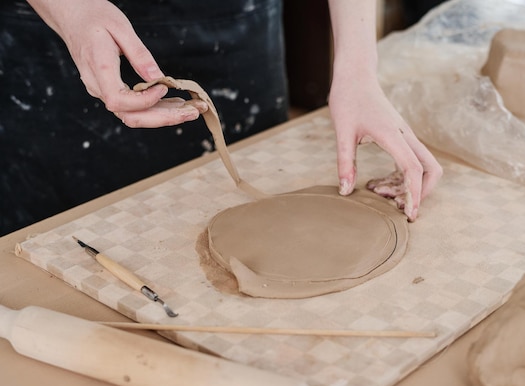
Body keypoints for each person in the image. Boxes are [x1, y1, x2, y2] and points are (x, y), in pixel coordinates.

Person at [0, 0, 441, 236]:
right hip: (56, 34)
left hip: (236, 25)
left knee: (259, 232)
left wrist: (358, 70)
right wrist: (71, 10)